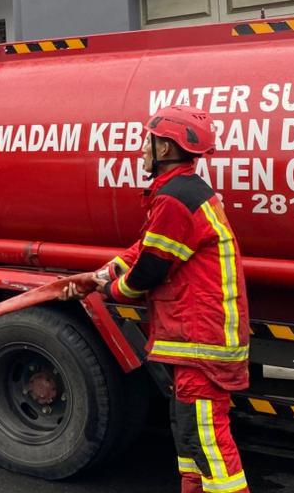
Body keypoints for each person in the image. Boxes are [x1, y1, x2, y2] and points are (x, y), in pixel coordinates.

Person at [59, 105, 249, 493]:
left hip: (201, 340)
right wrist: (95, 278)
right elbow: (143, 250)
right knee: (189, 434)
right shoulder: (179, 193)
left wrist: (111, 291)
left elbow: (148, 272)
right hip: (194, 337)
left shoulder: (175, 199)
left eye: (148, 141)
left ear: (164, 148)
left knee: (209, 442)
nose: (142, 149)